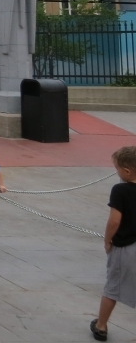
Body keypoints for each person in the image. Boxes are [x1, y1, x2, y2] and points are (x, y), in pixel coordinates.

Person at [91, 146, 136, 341]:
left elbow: (115, 220)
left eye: (116, 168)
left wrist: (108, 239)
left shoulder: (121, 190)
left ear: (127, 171)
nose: (116, 172)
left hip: (126, 246)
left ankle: (101, 325)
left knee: (113, 287)